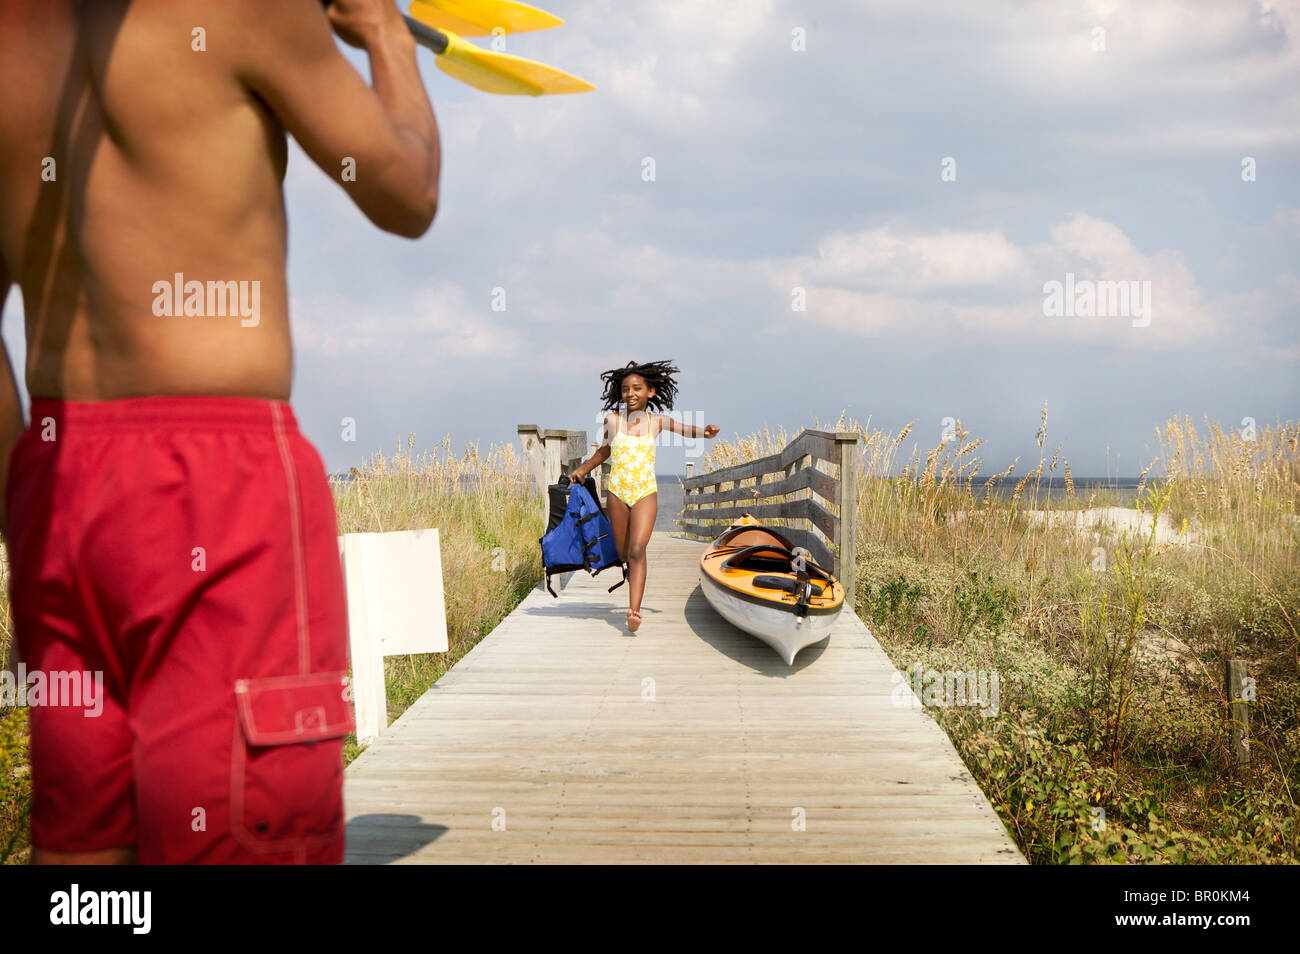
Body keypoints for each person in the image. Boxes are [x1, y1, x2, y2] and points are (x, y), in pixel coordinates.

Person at [0, 0, 440, 864]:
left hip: (55, 480)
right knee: (241, 838)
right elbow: (405, 191)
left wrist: (27, 503)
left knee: (85, 862)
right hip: (218, 481)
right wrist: (384, 31)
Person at [570, 360, 719, 632]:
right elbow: (605, 451)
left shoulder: (656, 422)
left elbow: (684, 429)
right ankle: (627, 565)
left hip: (645, 492)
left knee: (638, 549)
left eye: (637, 388)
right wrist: (582, 469)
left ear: (650, 392)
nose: (631, 393)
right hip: (617, 492)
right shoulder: (612, 421)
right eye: (625, 389)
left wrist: (704, 433)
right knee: (624, 552)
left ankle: (634, 611)